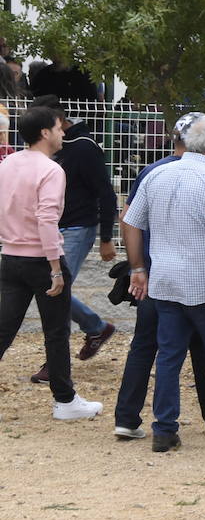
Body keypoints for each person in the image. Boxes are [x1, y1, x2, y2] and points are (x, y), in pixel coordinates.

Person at [124, 114, 205, 453]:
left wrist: (138, 268)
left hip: (164, 282)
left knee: (168, 356)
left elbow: (130, 221)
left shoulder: (157, 174)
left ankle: (164, 428)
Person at [0, 105, 103, 419]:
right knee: (56, 332)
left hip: (10, 257)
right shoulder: (51, 170)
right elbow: (46, 219)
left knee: (3, 330)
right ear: (45, 133)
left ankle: (67, 398)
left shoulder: (8, 163)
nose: (63, 133)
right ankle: (65, 400)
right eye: (59, 128)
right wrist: (55, 267)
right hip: (42, 260)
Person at [35, 97, 117, 376]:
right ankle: (96, 327)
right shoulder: (46, 150)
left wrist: (107, 236)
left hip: (77, 228)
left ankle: (55, 362)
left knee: (53, 288)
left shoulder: (83, 148)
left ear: (57, 123)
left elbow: (105, 192)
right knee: (53, 289)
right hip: (53, 228)